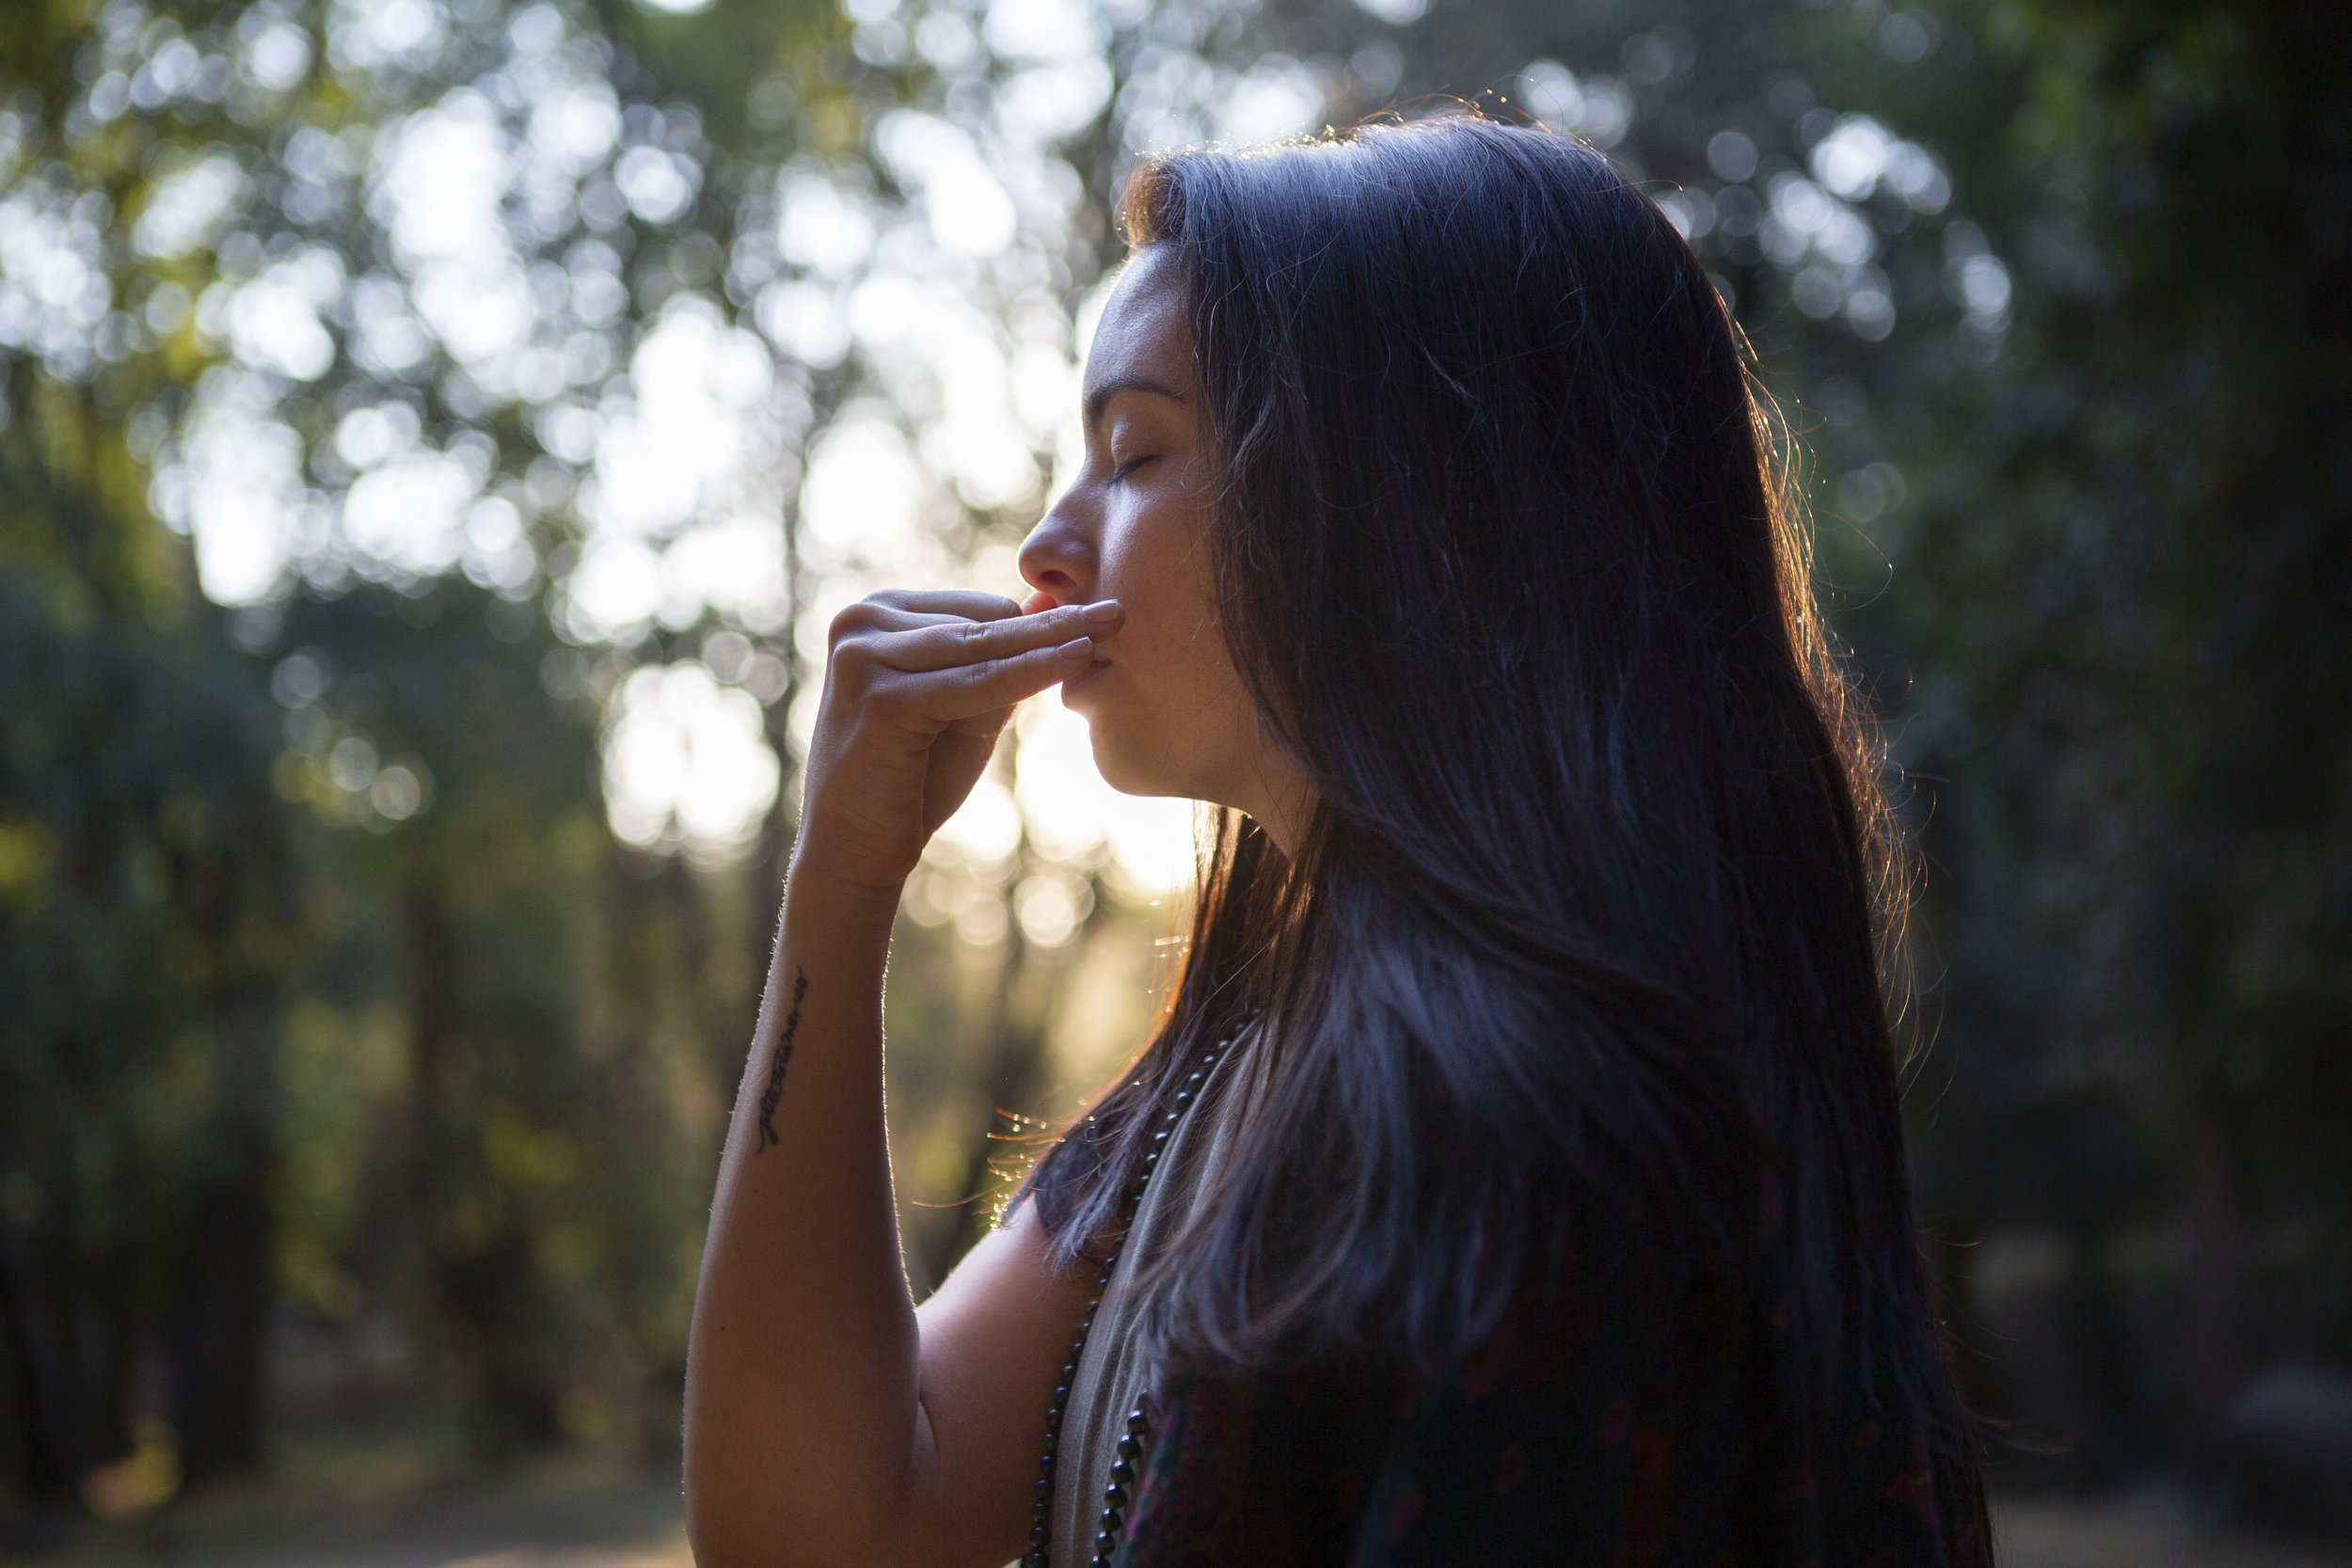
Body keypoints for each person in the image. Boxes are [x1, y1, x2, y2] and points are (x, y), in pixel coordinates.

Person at [682, 111, 1993, 1568]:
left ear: (1405, 501)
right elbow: (818, 1527)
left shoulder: (1542, 1135)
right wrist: (841, 890)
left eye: (1137, 453)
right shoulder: (1225, 1076)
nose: (1046, 547)